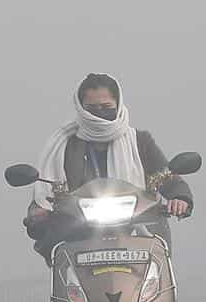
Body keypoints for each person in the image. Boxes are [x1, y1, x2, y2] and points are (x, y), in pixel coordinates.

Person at [24, 73, 192, 256]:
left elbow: (168, 177)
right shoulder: (64, 145)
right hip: (77, 235)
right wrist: (38, 213)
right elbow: (45, 189)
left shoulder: (139, 141)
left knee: (159, 270)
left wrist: (180, 198)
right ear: (80, 108)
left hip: (137, 231)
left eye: (106, 107)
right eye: (92, 108)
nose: (100, 113)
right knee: (62, 263)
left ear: (118, 105)